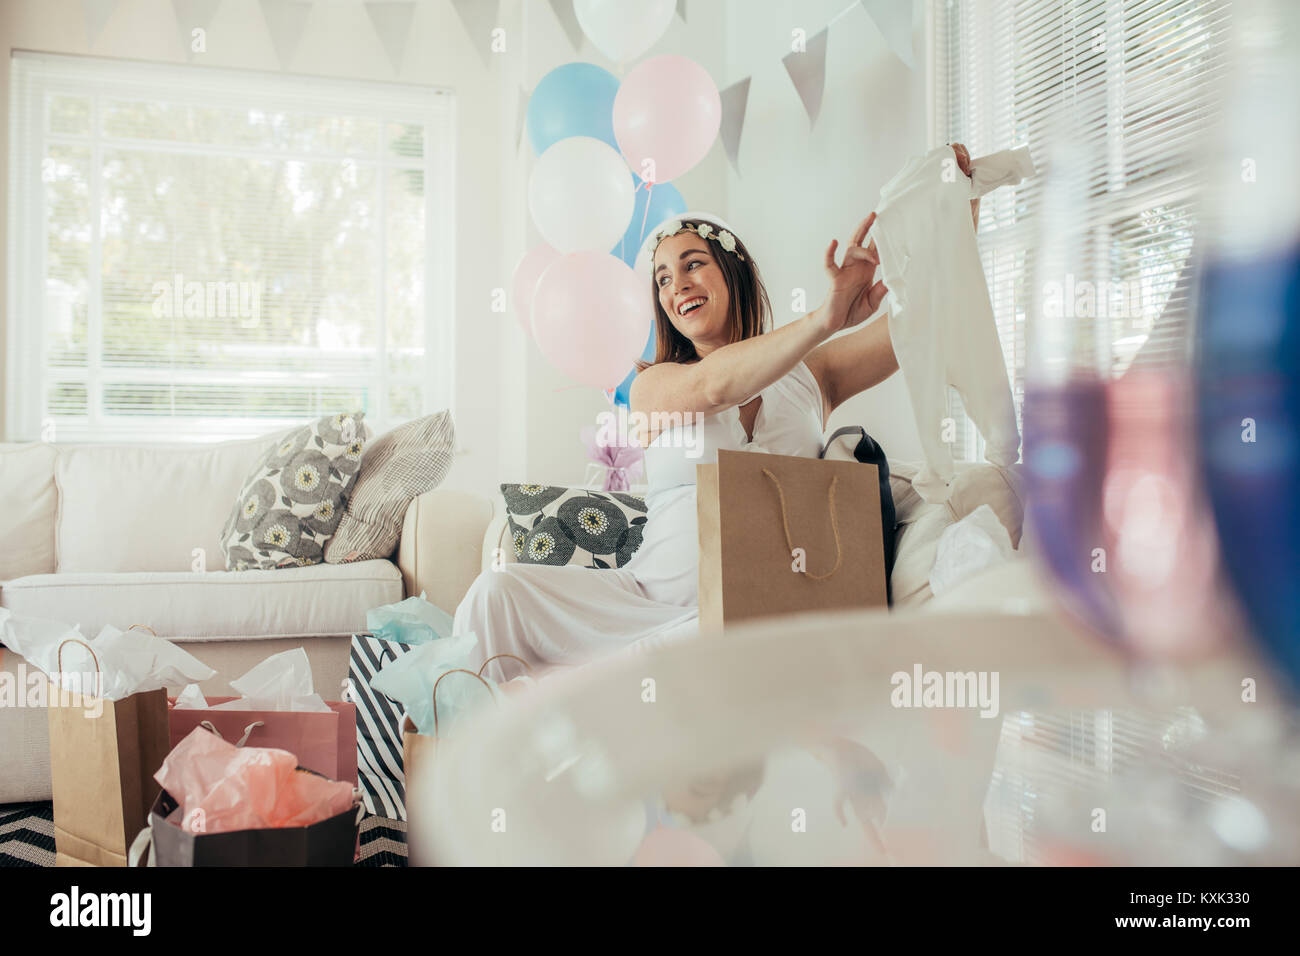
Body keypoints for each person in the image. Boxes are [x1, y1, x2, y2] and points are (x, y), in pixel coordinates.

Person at [456, 147, 979, 684]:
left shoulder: (813, 376)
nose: (676, 284)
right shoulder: (654, 387)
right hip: (645, 600)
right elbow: (713, 387)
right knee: (496, 593)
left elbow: (920, 329)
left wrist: (953, 226)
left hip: (753, 616)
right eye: (662, 279)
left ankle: (579, 695)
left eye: (692, 264)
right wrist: (827, 317)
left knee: (713, 645)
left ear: (732, 271)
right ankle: (481, 739)